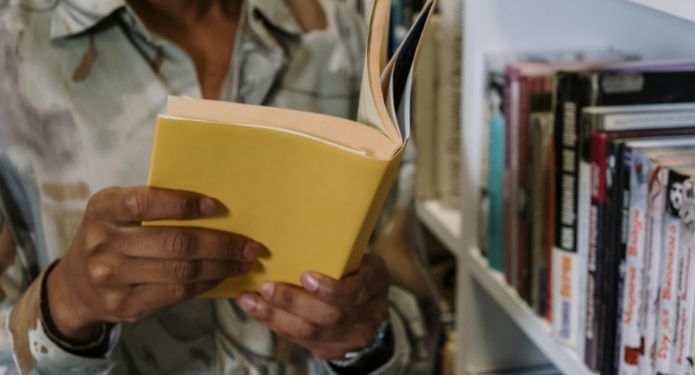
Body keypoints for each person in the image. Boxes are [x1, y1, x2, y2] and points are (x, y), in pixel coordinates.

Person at [0, 0, 431, 373]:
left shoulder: (339, 36)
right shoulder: (12, 51)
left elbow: (419, 319)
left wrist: (366, 341)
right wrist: (67, 303)